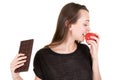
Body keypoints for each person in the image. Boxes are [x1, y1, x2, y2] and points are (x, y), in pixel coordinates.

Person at [10, 2, 101, 80]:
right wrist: (16, 76)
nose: (89, 29)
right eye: (85, 24)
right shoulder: (43, 56)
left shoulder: (85, 50)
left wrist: (95, 58)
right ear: (69, 24)